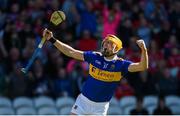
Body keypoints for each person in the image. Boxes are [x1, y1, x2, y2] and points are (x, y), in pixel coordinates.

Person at [43, 28, 148, 115]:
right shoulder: (94, 56)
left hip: (100, 107)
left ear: (116, 48)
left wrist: (144, 50)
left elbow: (142, 66)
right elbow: (71, 52)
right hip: (83, 102)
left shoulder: (121, 65)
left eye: (110, 44)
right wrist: (52, 39)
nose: (106, 45)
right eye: (105, 43)